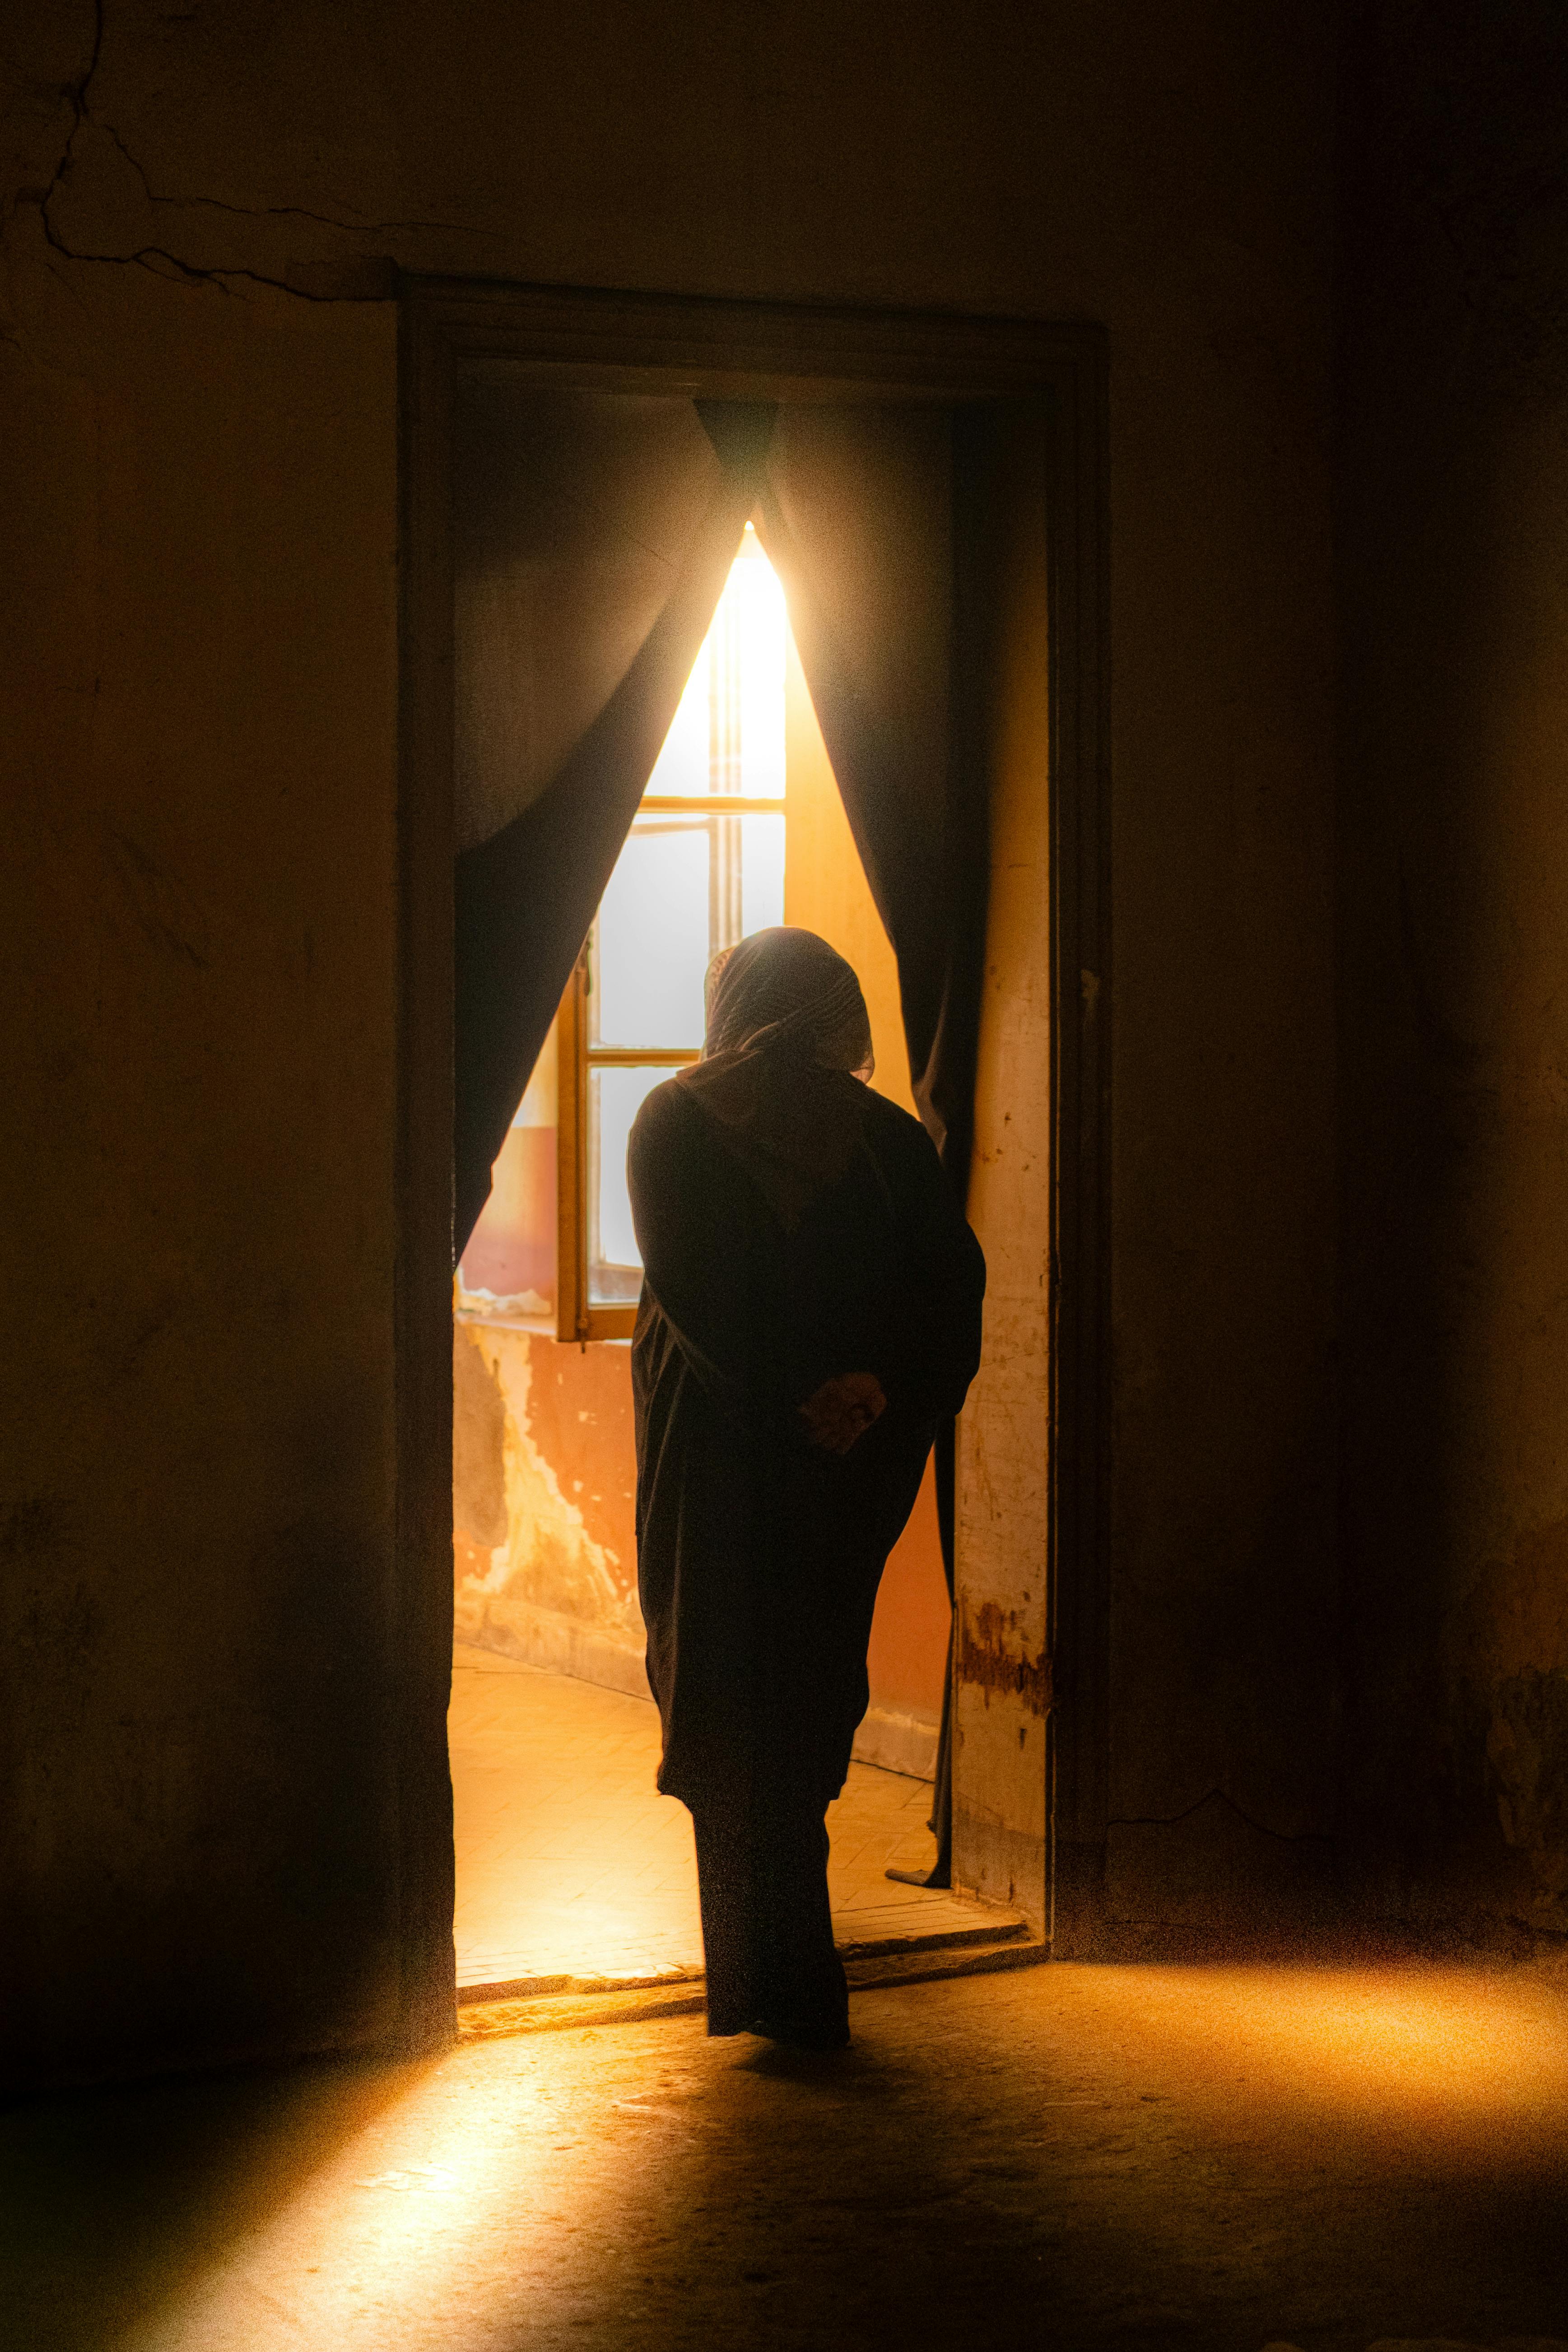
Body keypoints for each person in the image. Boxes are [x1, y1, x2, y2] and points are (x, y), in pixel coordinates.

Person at [628, 926, 985, 2049]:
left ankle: (763, 1981)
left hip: (716, 1463)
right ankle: (797, 1979)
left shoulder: (673, 1122)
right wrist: (870, 1393)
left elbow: (698, 1296)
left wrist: (791, 1395)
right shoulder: (888, 1141)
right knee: (808, 1690)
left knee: (722, 1693)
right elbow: (949, 1294)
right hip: (841, 1470)